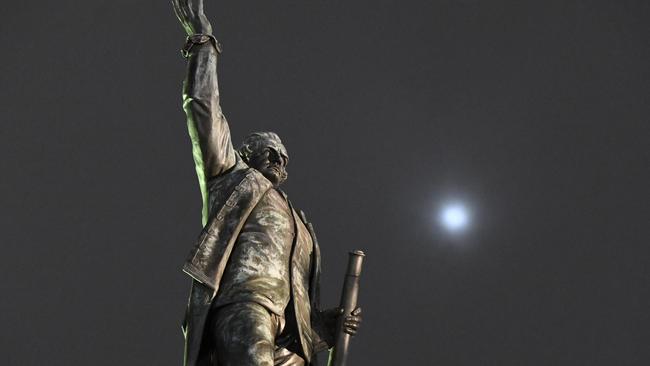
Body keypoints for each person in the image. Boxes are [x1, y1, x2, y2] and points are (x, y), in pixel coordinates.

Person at [172, 1, 362, 365]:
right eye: (269, 152)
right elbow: (204, 108)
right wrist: (203, 38)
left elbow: (300, 298)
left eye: (283, 157)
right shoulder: (232, 179)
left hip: (292, 338)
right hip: (245, 307)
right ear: (246, 155)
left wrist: (327, 323)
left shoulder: (302, 224)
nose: (278, 160)